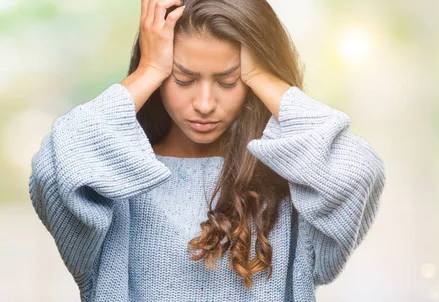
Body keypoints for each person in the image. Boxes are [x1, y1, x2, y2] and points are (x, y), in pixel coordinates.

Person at [28, 0, 386, 301]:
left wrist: (264, 75)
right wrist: (148, 70)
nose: (204, 103)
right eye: (183, 79)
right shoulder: (114, 181)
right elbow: (52, 170)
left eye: (228, 81)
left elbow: (360, 173)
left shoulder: (293, 182)